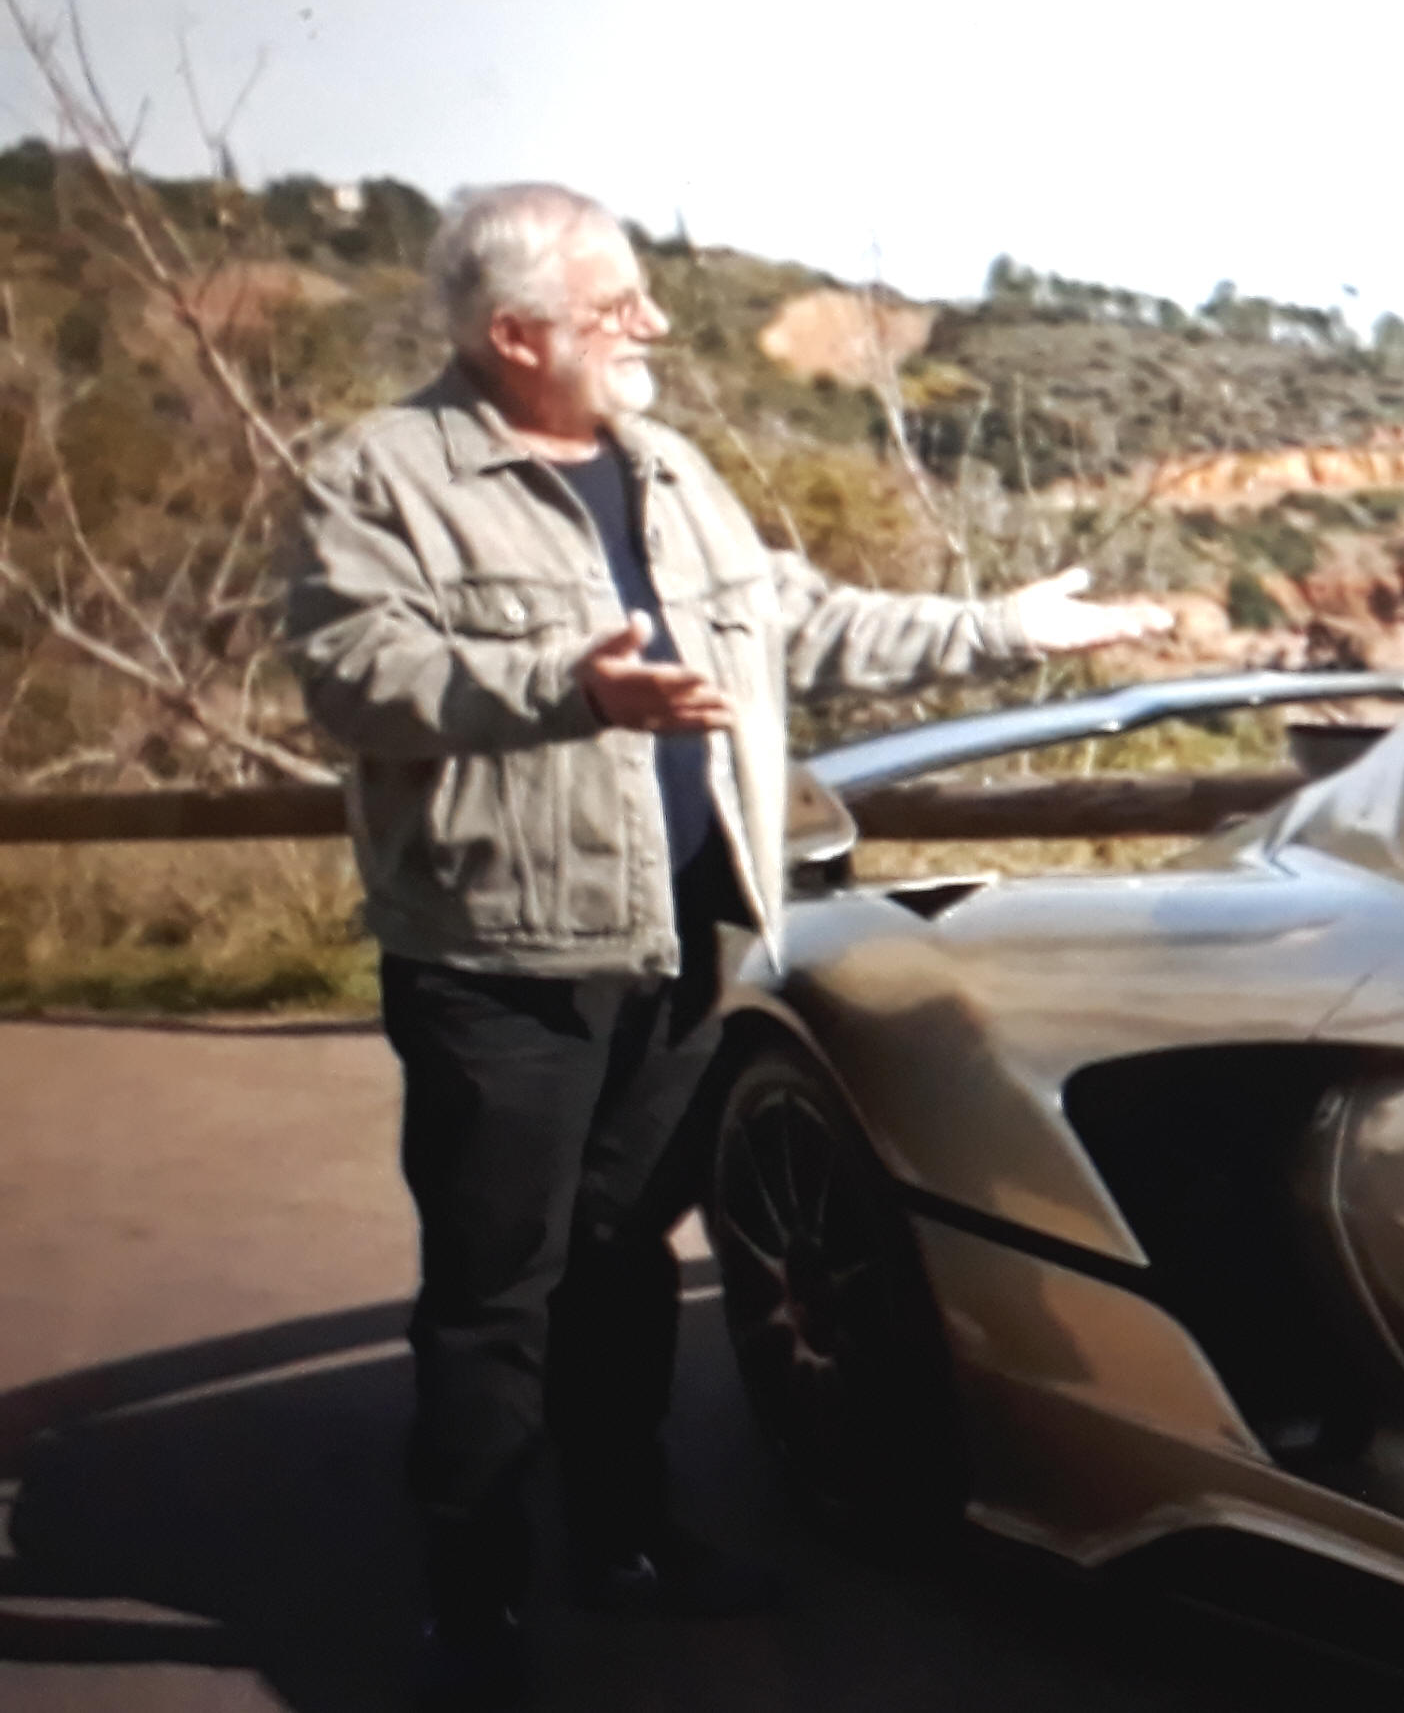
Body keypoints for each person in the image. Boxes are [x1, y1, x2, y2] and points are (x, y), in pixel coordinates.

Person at [278, 183, 1171, 1708]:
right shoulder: (381, 477)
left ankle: (624, 1541)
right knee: (497, 1292)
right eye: (618, 304)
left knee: (625, 1259)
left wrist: (1005, 629)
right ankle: (473, 1607)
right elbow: (355, 676)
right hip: (502, 958)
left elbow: (800, 625)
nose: (655, 324)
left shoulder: (671, 468)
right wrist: (572, 687)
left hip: (689, 935)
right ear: (516, 335)